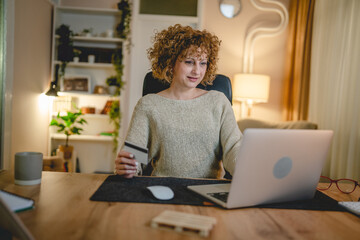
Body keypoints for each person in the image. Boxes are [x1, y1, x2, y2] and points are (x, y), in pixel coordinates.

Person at [114, 24, 242, 179]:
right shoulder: (149, 105)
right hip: (162, 189)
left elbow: (234, 148)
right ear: (170, 63)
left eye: (203, 63)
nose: (197, 71)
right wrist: (127, 166)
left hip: (207, 190)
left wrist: (245, 166)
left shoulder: (218, 102)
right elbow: (133, 156)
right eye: (189, 62)